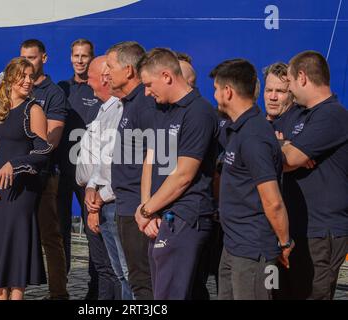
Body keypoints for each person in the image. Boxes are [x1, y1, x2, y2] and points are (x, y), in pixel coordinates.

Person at [134, 48, 218, 299]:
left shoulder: (199, 112)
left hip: (185, 217)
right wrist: (146, 208)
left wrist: (148, 210)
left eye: (149, 84)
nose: (147, 92)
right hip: (160, 217)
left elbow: (183, 176)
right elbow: (151, 160)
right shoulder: (162, 110)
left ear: (167, 76)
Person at [210, 59, 292, 300]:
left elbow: (273, 201)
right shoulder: (241, 129)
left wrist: (285, 243)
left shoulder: (254, 136)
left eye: (216, 89)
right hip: (234, 245)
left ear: (227, 92)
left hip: (254, 250)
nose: (214, 95)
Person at [0, 57, 51, 300]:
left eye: (31, 76)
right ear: (10, 78)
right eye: (23, 76)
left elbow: (43, 151)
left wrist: (14, 164)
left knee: (17, 245)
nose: (28, 81)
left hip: (22, 190)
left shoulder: (33, 109)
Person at [279, 51, 348, 300]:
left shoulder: (333, 115)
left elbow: (287, 160)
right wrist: (287, 145)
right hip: (295, 229)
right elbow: (269, 145)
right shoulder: (296, 114)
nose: (288, 90)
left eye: (289, 81)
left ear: (302, 77)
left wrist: (290, 150)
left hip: (321, 233)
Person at [78, 56, 132, 300]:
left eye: (91, 75)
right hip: (97, 196)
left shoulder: (120, 110)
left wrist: (98, 197)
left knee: (121, 271)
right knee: (110, 268)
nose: (87, 81)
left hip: (111, 200)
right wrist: (90, 187)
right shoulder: (104, 109)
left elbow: (115, 161)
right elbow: (100, 159)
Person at [20, 39, 70, 300]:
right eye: (23, 58)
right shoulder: (16, 90)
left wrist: (24, 160)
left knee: (50, 238)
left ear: (44, 58)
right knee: (14, 237)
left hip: (43, 176)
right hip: (16, 178)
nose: (28, 63)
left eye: (33, 57)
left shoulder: (53, 93)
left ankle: (58, 294)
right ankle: (7, 291)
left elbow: (52, 138)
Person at [107, 41, 156, 300]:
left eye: (111, 67)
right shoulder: (129, 103)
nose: (107, 73)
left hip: (139, 209)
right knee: (135, 279)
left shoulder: (145, 105)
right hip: (126, 205)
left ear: (128, 71)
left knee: (143, 282)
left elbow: (162, 157)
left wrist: (148, 208)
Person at [58, 38, 101, 299]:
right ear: (70, 58)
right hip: (62, 171)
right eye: (76, 55)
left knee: (92, 230)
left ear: (91, 58)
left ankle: (95, 288)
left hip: (89, 174)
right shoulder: (62, 88)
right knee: (60, 231)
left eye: (85, 56)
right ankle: (60, 287)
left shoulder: (98, 89)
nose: (80, 60)